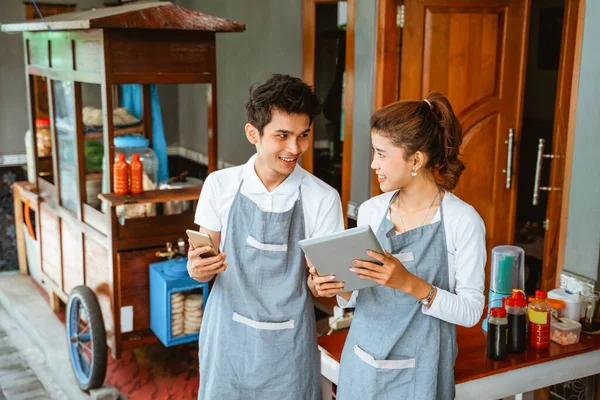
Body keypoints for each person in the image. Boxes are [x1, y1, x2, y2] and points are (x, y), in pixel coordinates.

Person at [308, 93, 486, 399]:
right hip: (362, 365)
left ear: (416, 159)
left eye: (381, 153)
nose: (374, 164)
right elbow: (357, 294)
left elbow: (471, 311)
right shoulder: (371, 211)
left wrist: (410, 284)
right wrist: (335, 286)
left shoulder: (462, 220)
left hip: (423, 375)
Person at [188, 74, 344, 399]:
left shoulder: (322, 197)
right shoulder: (220, 185)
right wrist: (197, 269)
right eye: (282, 135)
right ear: (252, 133)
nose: (295, 148)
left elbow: (327, 283)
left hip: (288, 345)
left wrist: (323, 284)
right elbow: (204, 257)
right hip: (227, 337)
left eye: (303, 136)